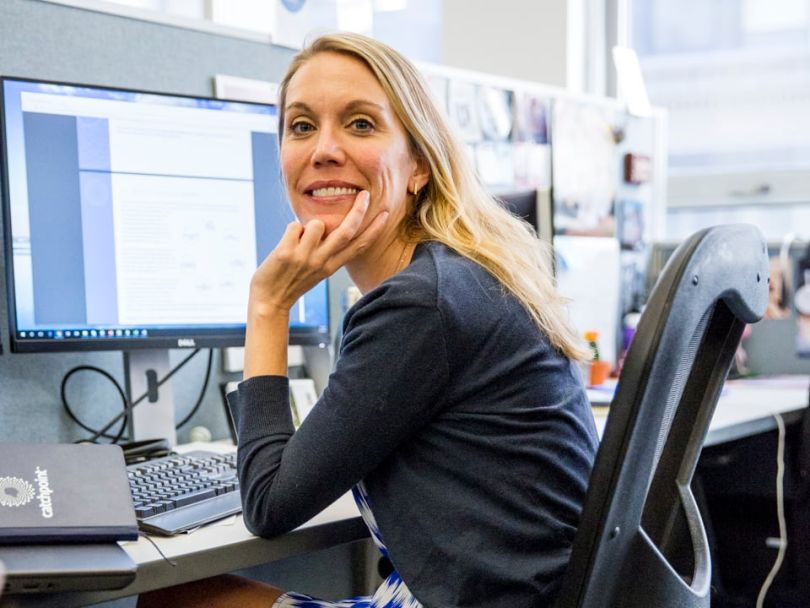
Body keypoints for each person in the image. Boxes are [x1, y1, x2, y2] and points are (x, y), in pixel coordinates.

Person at [138, 32, 598, 608]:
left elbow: (268, 506)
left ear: (419, 166)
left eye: (360, 124)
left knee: (177, 600)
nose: (322, 150)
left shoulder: (419, 304)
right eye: (301, 127)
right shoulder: (456, 276)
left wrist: (268, 306)